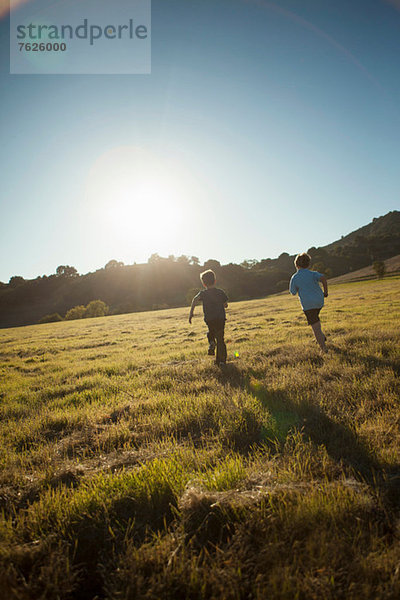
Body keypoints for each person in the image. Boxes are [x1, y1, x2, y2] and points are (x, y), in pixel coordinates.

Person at [289, 252, 328, 352]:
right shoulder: (313, 274)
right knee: (316, 322)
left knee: (316, 328)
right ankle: (321, 337)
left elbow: (293, 292)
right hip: (319, 302)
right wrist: (325, 292)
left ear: (296, 264)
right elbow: (323, 278)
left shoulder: (295, 277)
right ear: (308, 264)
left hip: (308, 305)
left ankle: (324, 349)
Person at [189, 269, 228, 366]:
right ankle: (221, 361)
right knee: (220, 339)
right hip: (220, 318)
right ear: (215, 281)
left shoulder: (203, 293)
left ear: (204, 284)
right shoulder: (220, 292)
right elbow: (226, 305)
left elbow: (194, 300)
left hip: (210, 319)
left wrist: (191, 313)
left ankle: (211, 343)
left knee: (211, 333)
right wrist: (223, 305)